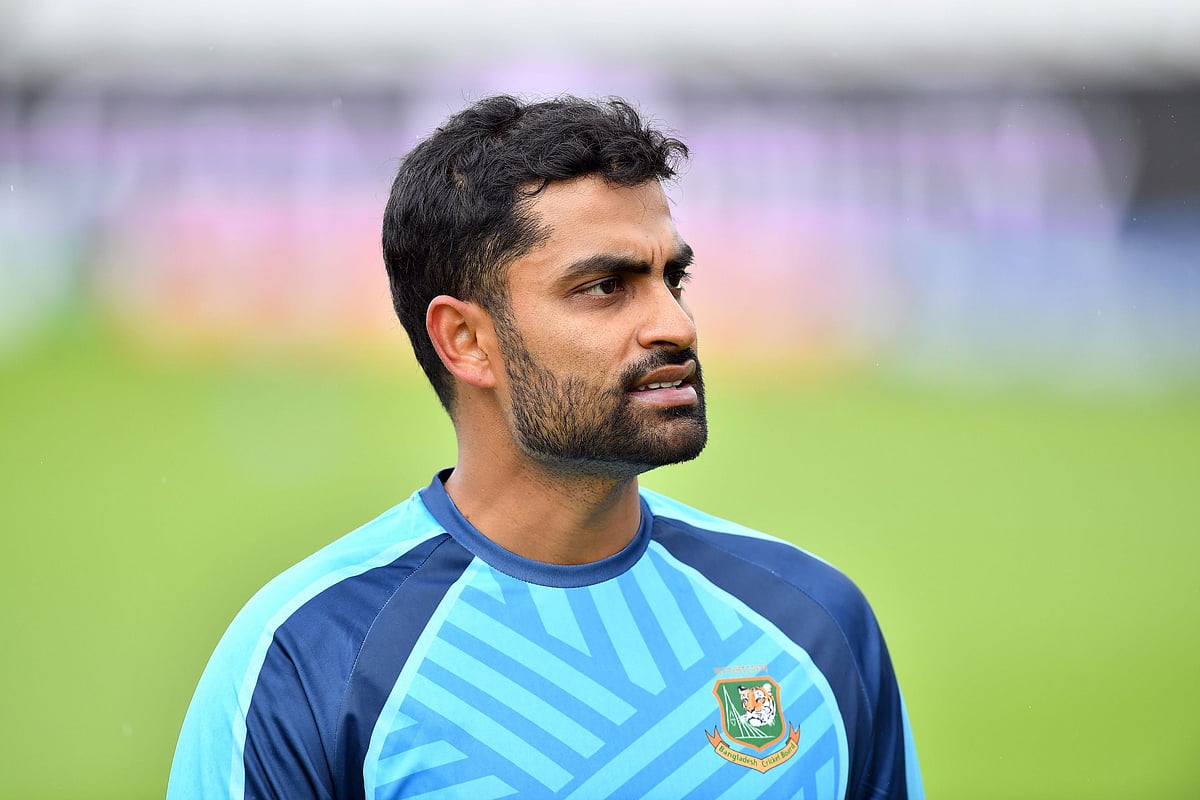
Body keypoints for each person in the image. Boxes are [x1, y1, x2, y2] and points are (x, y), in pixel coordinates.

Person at [168, 95, 924, 799]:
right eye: (605, 286)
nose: (676, 324)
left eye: (673, 277)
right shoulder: (310, 660)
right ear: (466, 340)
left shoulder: (814, 626)